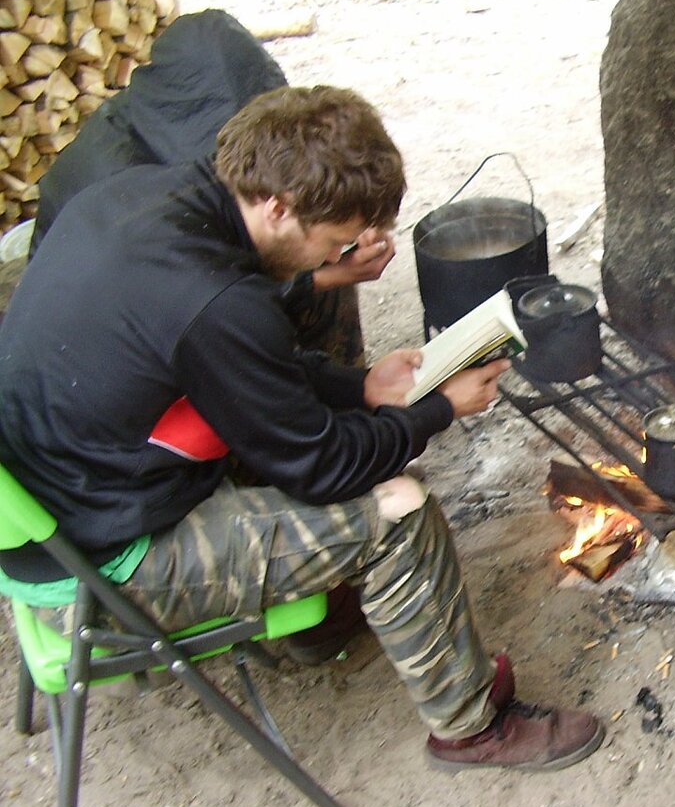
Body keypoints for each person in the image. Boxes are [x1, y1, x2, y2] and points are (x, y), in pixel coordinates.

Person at [0, 85, 604, 771]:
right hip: (101, 569)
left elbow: (227, 350)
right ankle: (471, 728)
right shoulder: (215, 302)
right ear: (278, 207)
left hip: (54, 498)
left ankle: (324, 618)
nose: (339, 255)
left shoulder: (141, 196)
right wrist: (438, 408)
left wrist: (363, 385)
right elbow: (323, 467)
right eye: (335, 241)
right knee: (398, 512)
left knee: (314, 424)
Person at [30, 8, 385, 367]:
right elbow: (205, 304)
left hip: (191, 291)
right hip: (116, 350)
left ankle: (347, 392)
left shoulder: (212, 149)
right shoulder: (119, 184)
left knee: (313, 248)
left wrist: (344, 228)